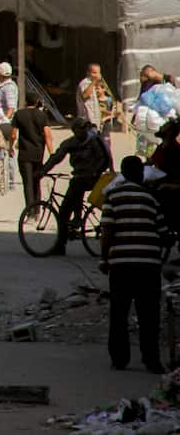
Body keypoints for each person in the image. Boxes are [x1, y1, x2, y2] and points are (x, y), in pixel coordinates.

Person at [101, 155, 166, 373]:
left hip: (121, 264)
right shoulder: (151, 198)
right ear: (139, 173)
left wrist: (104, 259)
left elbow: (107, 231)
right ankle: (151, 359)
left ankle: (120, 359)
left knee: (119, 312)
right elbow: (164, 233)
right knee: (149, 314)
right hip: (148, 265)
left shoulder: (112, 196)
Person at [41, 117, 112, 255]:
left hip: (94, 178)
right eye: (80, 130)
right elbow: (57, 157)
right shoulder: (70, 143)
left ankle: (78, 218)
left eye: (85, 129)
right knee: (64, 211)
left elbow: (105, 158)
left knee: (76, 186)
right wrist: (43, 170)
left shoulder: (95, 141)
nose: (83, 132)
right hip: (79, 176)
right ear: (74, 131)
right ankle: (61, 244)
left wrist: (95, 171)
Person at [11, 93, 54, 212]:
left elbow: (13, 134)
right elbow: (47, 135)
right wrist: (52, 153)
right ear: (36, 103)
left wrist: (10, 147)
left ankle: (29, 211)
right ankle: (37, 210)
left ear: (26, 102)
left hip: (24, 154)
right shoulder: (42, 115)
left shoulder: (19, 114)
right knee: (36, 181)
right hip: (38, 153)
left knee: (27, 183)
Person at [78, 63, 115, 132]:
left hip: (94, 120)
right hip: (87, 119)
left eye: (98, 73)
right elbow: (85, 95)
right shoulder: (85, 83)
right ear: (88, 73)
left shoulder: (92, 84)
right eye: (94, 73)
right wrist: (95, 81)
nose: (97, 75)